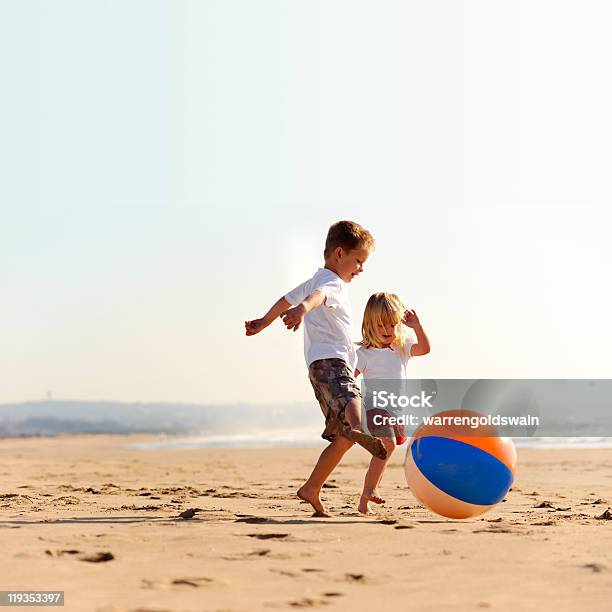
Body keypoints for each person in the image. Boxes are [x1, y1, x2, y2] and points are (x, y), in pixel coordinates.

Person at [245, 220, 385, 517]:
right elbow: (313, 299)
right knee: (354, 412)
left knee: (342, 439)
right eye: (358, 261)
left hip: (318, 367)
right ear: (339, 254)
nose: (360, 269)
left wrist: (264, 321)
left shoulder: (314, 279)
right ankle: (361, 428)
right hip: (333, 363)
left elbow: (286, 299)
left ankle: (311, 487)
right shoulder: (331, 284)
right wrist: (303, 310)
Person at [355, 292, 431, 514]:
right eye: (381, 325)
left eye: (391, 324)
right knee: (386, 445)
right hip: (375, 407)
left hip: (396, 409)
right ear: (369, 325)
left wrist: (417, 326)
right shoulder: (364, 353)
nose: (387, 330)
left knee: (386, 451)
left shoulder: (401, 346)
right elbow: (350, 377)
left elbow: (425, 349)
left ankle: (364, 500)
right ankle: (370, 489)